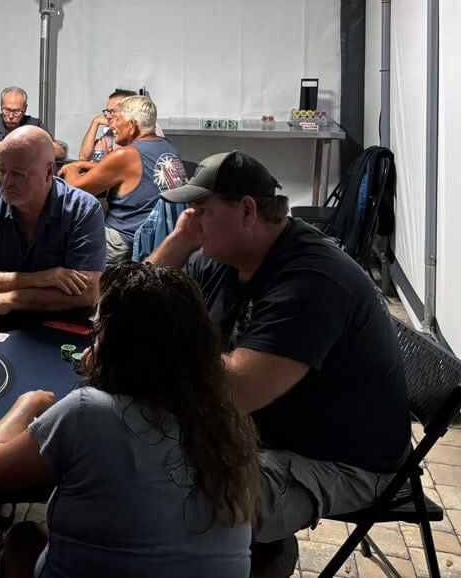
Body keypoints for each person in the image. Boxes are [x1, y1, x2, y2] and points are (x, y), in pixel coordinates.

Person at [149, 150, 411, 577]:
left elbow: (234, 393)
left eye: (201, 210)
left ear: (248, 210)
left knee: (188, 505)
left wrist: (150, 353)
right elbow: (129, 307)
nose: (190, 220)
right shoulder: (225, 255)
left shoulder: (312, 280)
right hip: (271, 429)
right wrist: (179, 242)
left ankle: (264, 558)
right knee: (143, 459)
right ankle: (260, 551)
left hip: (342, 460)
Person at [0, 262, 259, 578]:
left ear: (115, 344)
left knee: (23, 537)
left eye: (96, 330)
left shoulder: (89, 411)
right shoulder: (228, 420)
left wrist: (28, 403)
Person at [0, 126, 106, 328]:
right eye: (1, 170)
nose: (7, 182)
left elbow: (87, 294)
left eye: (18, 174)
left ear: (49, 171)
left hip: (58, 328)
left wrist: (13, 299)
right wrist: (40, 279)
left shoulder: (83, 210)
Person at [60, 95, 187, 265]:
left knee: (57, 236)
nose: (111, 125)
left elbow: (74, 189)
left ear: (132, 125)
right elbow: (135, 174)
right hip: (157, 238)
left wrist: (71, 168)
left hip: (124, 241)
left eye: (116, 119)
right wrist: (88, 164)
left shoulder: (126, 155)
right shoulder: (167, 146)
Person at [0, 86, 66, 160]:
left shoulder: (34, 126)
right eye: (7, 110)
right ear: (1, 107)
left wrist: (32, 151)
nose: (11, 116)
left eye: (16, 111)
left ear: (25, 109)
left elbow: (60, 152)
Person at [76, 88, 136, 162]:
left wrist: (106, 158)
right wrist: (95, 122)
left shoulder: (144, 133)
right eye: (108, 112)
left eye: (113, 111)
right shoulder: (113, 131)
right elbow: (83, 157)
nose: (108, 116)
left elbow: (129, 169)